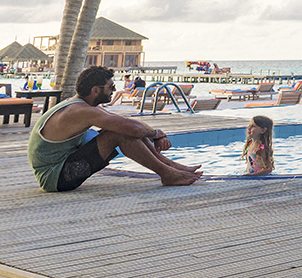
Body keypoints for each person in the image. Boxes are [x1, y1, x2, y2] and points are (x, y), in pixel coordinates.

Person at [27, 66, 202, 192]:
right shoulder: (80, 111)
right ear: (95, 90)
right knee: (119, 133)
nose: (114, 90)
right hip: (56, 178)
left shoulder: (83, 106)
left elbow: (125, 123)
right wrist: (157, 134)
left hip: (61, 170)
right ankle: (168, 173)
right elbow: (129, 128)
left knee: (122, 129)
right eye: (111, 87)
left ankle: (171, 167)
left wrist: (153, 134)